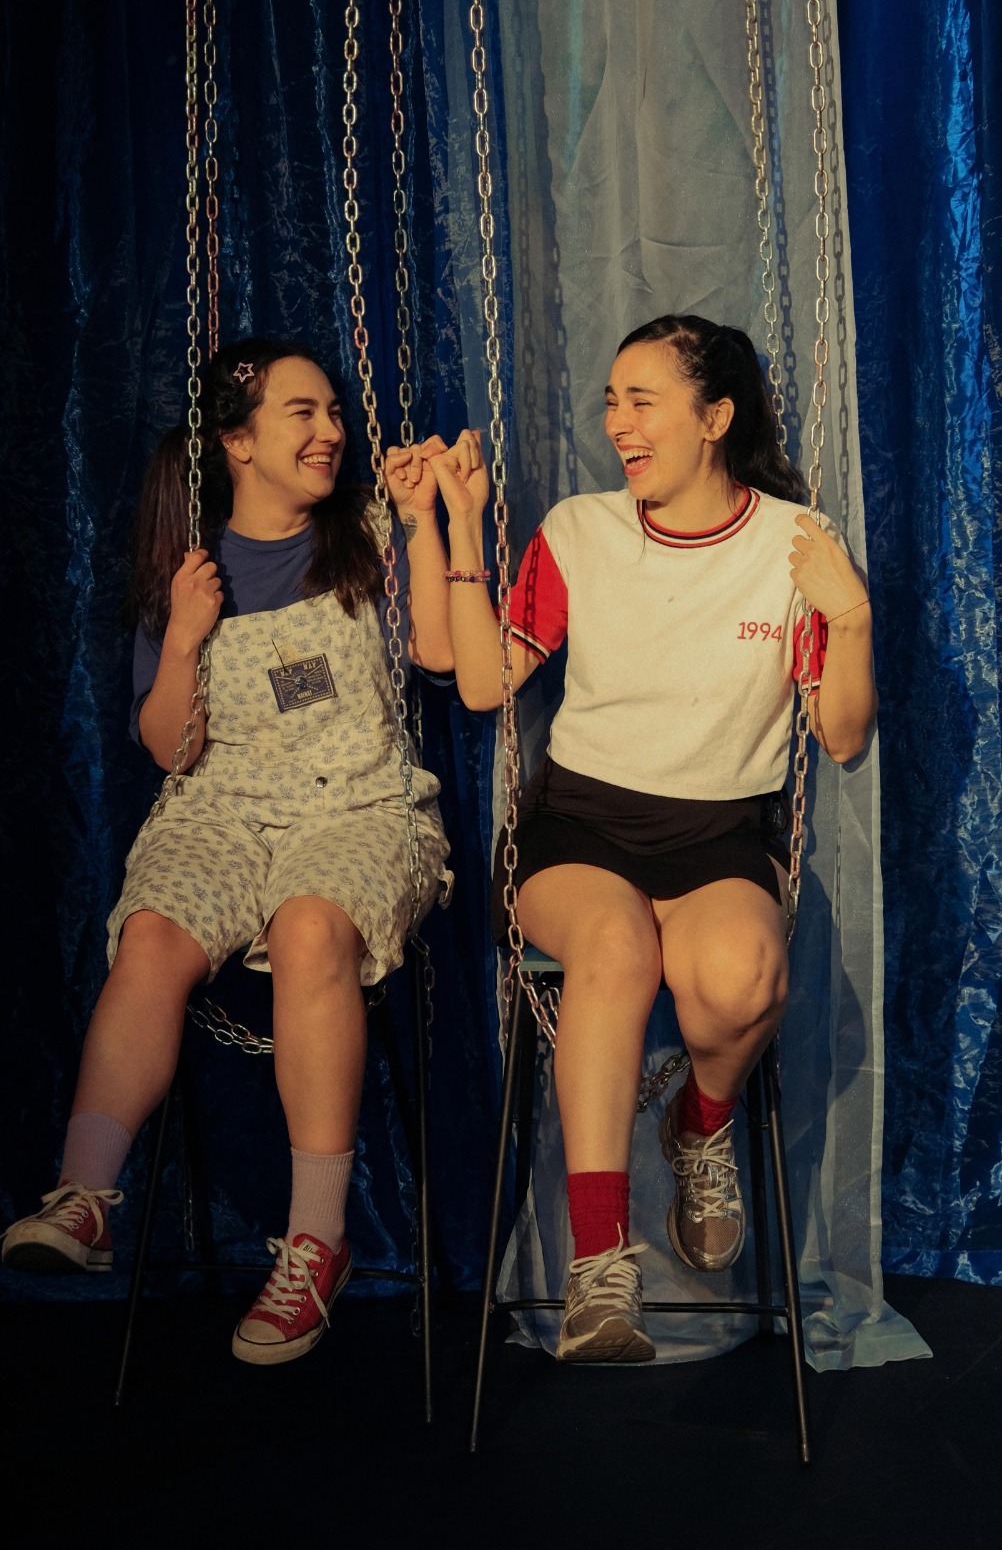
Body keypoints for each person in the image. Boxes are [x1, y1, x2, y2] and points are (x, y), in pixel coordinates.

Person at [405, 313, 876, 1364]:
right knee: (615, 948)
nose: (617, 422)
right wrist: (464, 526)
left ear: (715, 417)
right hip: (581, 826)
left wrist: (848, 620)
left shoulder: (792, 542)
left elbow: (842, 736)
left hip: (718, 833)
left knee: (742, 979)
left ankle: (701, 1123)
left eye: (642, 400)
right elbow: (481, 684)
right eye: (611, 400)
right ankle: (597, 1270)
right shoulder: (579, 531)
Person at [0, 337, 454, 1366]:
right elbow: (171, 749)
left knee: (309, 928)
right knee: (152, 937)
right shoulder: (192, 572)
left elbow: (435, 653)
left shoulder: (369, 535)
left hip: (357, 810)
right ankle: (84, 1196)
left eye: (334, 412)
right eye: (304, 413)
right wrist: (186, 635)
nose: (331, 431)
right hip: (221, 813)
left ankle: (316, 1243)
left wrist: (424, 519)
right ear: (238, 443)